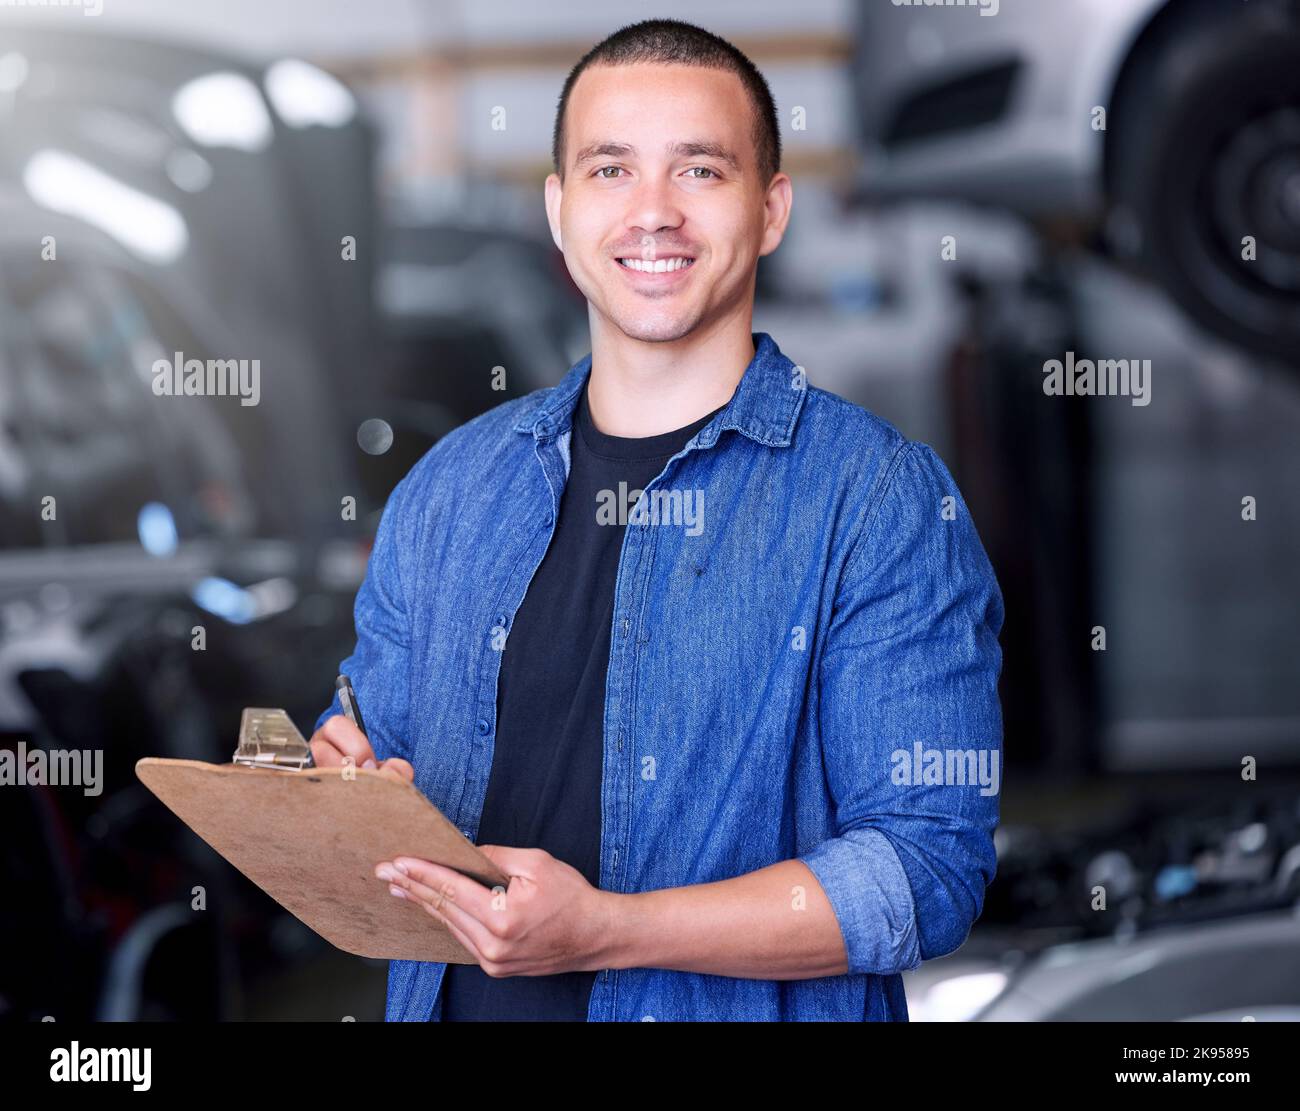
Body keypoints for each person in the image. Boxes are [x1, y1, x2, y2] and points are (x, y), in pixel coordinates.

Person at [311, 17, 1005, 1022]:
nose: (651, 214)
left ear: (770, 210)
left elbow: (922, 869)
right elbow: (376, 754)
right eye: (608, 171)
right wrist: (347, 776)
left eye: (700, 172)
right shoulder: (450, 488)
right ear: (557, 210)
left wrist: (612, 929)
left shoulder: (878, 502)